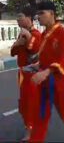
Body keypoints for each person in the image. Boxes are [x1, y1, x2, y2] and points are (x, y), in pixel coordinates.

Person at [29, 1, 64, 142]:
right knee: (40, 114)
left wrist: (46, 72)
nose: (39, 17)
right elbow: (45, 57)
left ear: (52, 14)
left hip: (60, 82)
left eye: (42, 13)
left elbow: (63, 60)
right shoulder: (44, 34)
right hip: (45, 82)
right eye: (38, 14)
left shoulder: (62, 33)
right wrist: (38, 65)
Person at [10, 7, 42, 141]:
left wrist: (27, 38)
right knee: (23, 104)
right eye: (17, 17)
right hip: (22, 74)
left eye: (20, 17)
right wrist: (18, 42)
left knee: (31, 103)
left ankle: (31, 132)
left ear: (28, 17)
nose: (18, 20)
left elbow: (32, 49)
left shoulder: (36, 34)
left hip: (32, 74)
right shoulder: (21, 35)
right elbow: (12, 52)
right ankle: (29, 127)